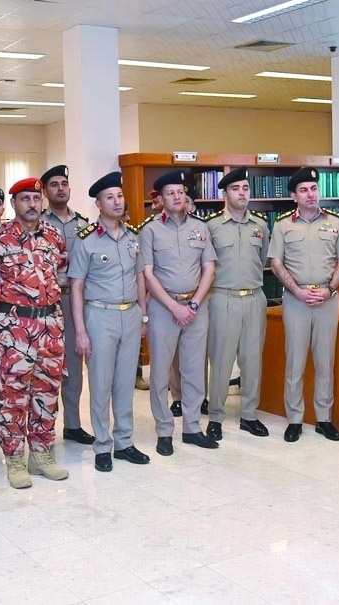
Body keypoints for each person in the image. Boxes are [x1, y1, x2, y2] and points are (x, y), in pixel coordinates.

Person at [0, 177, 69, 489]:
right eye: (25, 199)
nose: (32, 205)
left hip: (50, 326)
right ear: (13, 204)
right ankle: (14, 458)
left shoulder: (54, 235)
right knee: (11, 396)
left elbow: (62, 273)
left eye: (36, 199)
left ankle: (41, 456)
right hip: (12, 329)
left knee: (47, 393)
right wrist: (1, 298)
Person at [69, 171, 151, 472]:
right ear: (98, 204)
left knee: (125, 383)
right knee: (101, 384)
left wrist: (143, 315)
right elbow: (76, 286)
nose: (117, 202)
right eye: (110, 198)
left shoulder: (133, 237)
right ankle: (102, 445)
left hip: (130, 315)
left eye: (119, 196)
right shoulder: (86, 240)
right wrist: (80, 330)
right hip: (99, 316)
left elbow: (140, 277)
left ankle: (125, 442)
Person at [268, 167, 339, 443]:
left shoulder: (335, 223)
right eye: (304, 190)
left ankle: (324, 419)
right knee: (295, 361)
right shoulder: (282, 225)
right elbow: (276, 264)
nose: (310, 194)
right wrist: (297, 291)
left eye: (314, 188)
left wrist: (329, 290)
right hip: (296, 301)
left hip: (327, 300)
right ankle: (294, 419)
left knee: (325, 361)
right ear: (294, 195)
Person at [139, 170, 218, 455]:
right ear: (160, 199)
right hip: (164, 308)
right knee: (160, 373)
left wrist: (194, 303)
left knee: (195, 371)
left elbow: (209, 267)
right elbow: (147, 274)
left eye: (180, 192)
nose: (176, 197)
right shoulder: (149, 230)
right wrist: (174, 307)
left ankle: (193, 427)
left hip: (196, 308)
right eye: (170, 193)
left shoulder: (200, 227)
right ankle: (164, 430)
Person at [204, 168, 270, 441]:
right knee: (221, 361)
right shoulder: (212, 226)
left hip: (255, 298)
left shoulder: (261, 225)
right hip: (223, 298)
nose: (242, 193)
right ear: (225, 193)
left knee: (252, 361)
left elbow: (263, 259)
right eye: (236, 189)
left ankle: (249, 415)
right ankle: (216, 416)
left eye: (245, 188)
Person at [40, 164, 94, 445]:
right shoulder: (36, 222)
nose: (61, 188)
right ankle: (40, 429)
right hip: (44, 303)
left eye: (64, 183)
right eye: (54, 184)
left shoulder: (84, 225)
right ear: (45, 191)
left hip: (73, 300)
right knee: (43, 367)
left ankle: (72, 424)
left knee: (73, 366)